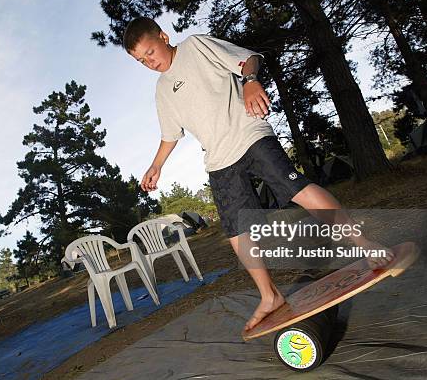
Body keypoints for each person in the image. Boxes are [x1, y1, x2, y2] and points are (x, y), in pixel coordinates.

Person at [123, 17, 394, 332]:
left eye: (150, 53)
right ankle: (270, 295)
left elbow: (249, 58)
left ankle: (365, 245)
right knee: (237, 231)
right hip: (219, 158)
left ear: (163, 36)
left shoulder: (196, 46)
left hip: (249, 134)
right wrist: (157, 165)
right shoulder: (162, 91)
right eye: (142, 61)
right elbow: (170, 134)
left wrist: (250, 80)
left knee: (297, 189)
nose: (150, 63)